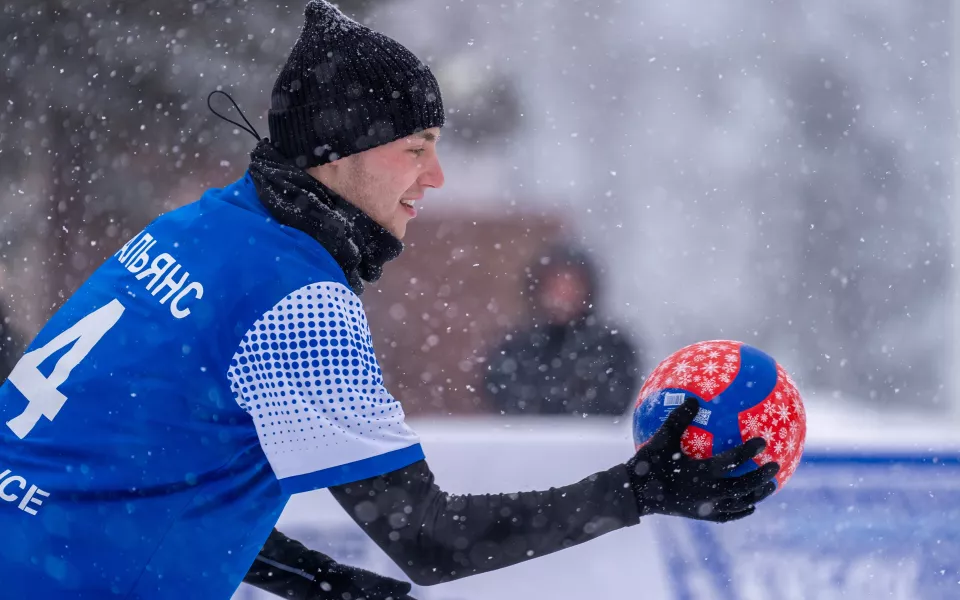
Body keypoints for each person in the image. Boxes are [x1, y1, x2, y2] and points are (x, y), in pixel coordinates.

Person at [0, 3, 780, 599]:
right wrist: (640, 488)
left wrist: (311, 577)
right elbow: (434, 541)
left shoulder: (200, 230)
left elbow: (131, 473)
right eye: (417, 149)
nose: (433, 179)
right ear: (338, 152)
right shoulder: (295, 298)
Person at [484, 243, 642, 415]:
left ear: (588, 290)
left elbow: (612, 403)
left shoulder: (612, 347)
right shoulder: (515, 348)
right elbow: (505, 399)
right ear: (538, 290)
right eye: (554, 286)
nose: (562, 296)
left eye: (572, 286)